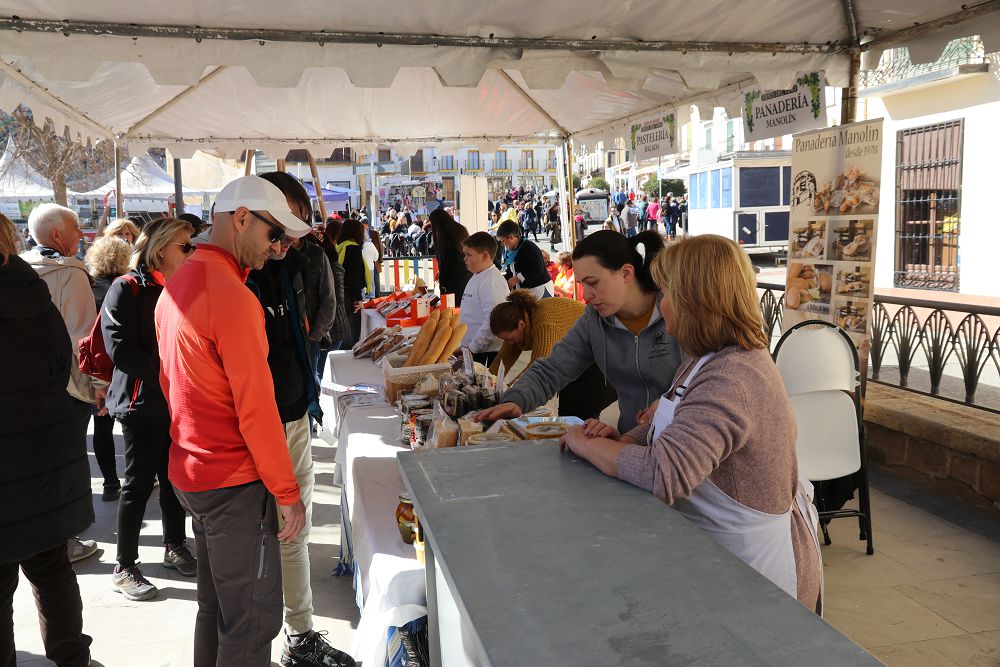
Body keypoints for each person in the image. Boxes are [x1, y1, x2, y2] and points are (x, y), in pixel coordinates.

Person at [561, 235, 823, 613]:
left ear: (694, 300)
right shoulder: (706, 358)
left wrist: (584, 443)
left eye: (665, 293)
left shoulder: (732, 377)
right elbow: (677, 423)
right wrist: (624, 438)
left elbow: (665, 474)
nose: (661, 305)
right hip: (713, 555)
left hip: (751, 572)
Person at [155, 175, 311, 666]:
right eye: (273, 235)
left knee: (217, 610)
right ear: (241, 218)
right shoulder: (230, 294)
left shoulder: (178, 283)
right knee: (250, 623)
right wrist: (288, 494)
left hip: (195, 472)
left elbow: (171, 388)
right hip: (232, 483)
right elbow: (256, 409)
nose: (278, 248)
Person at [243, 175, 352, 667]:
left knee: (295, 533)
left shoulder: (290, 263)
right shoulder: (239, 274)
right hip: (258, 427)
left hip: (292, 414)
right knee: (274, 537)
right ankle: (286, 635)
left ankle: (300, 631)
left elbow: (305, 329)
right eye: (278, 226)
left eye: (295, 224)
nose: (286, 237)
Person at [0, 213, 94, 667]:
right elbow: (62, 360)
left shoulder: (35, 280)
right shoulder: (30, 284)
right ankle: (71, 657)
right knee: (51, 566)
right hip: (44, 448)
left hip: (18, 454)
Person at [478, 230, 681, 432]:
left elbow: (702, 385)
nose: (586, 294)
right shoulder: (594, 319)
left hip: (686, 444)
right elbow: (552, 368)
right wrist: (516, 400)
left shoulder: (680, 312)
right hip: (630, 442)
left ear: (626, 273)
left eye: (593, 283)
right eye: (581, 284)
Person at [103, 217, 198, 601]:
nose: (192, 252)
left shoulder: (185, 287)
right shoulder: (125, 288)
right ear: (161, 250)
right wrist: (171, 370)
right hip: (142, 404)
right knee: (138, 485)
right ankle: (124, 565)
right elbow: (120, 349)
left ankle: (175, 545)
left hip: (178, 402)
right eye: (185, 246)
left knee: (175, 481)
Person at [21, 203, 102, 564]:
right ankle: (64, 540)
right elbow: (82, 337)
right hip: (64, 385)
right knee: (66, 462)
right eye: (75, 228)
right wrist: (97, 385)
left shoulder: (18, 267)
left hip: (22, 384)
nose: (82, 234)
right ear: (57, 234)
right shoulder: (70, 272)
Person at [84, 235, 131, 501]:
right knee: (129, 425)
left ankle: (111, 483)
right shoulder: (127, 287)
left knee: (101, 425)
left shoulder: (88, 288)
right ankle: (138, 478)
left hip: (98, 366)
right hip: (123, 365)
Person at [459, 232, 509, 367]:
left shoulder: (492, 280)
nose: (465, 259)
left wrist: (473, 348)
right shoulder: (478, 275)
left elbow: (493, 321)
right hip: (473, 350)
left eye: (469, 254)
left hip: (485, 353)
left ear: (484, 256)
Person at [336, 218, 372, 347]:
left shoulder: (339, 246)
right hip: (350, 296)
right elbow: (354, 276)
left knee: (343, 331)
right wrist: (358, 298)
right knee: (351, 335)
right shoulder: (353, 248)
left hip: (339, 293)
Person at [496, 220, 552, 299]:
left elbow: (537, 269)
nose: (502, 244)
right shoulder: (512, 250)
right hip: (527, 292)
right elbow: (511, 271)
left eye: (503, 241)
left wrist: (517, 278)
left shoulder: (528, 247)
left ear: (511, 237)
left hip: (539, 289)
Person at [429, 208, 472, 305]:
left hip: (452, 280)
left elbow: (447, 261)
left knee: (452, 309)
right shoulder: (460, 230)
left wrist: (442, 279)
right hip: (465, 275)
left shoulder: (444, 237)